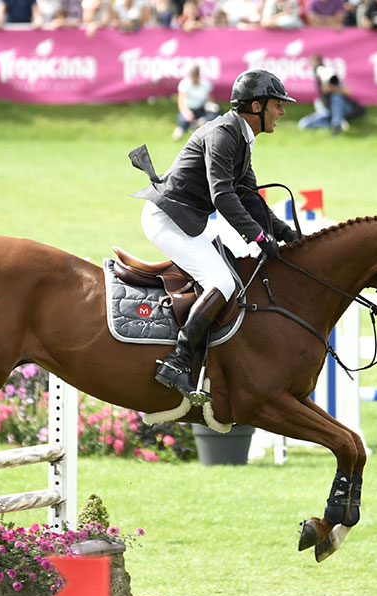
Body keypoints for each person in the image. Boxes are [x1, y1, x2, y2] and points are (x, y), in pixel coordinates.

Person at [131, 69, 299, 404]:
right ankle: (177, 361)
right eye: (277, 105)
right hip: (167, 219)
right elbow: (223, 196)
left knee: (235, 271)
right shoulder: (223, 134)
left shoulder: (240, 137)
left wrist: (282, 231)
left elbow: (249, 194)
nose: (282, 111)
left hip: (189, 219)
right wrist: (259, 238)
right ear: (256, 106)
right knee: (222, 282)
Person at [298, 54, 365, 135]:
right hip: (328, 110)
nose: (315, 67)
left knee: (336, 97)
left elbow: (347, 91)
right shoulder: (318, 78)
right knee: (304, 124)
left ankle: (337, 123)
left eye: (316, 65)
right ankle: (337, 123)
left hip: (344, 108)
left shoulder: (330, 75)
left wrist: (332, 88)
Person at [171, 64, 220, 141]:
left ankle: (199, 123)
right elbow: (181, 102)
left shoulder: (206, 84)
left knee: (216, 114)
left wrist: (210, 107)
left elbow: (210, 100)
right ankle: (183, 128)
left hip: (202, 109)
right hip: (189, 109)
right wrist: (186, 112)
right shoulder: (184, 84)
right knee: (183, 121)